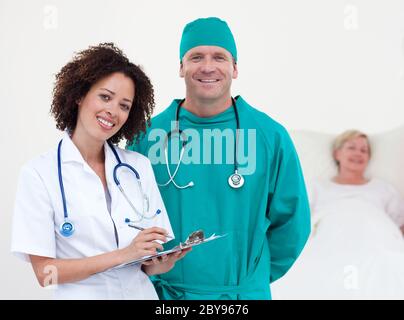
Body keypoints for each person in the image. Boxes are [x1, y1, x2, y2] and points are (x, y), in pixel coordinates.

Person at [127, 17, 311, 299]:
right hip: (165, 295)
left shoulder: (269, 137)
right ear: (181, 67)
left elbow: (292, 224)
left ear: (235, 68)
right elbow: (125, 219)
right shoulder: (147, 136)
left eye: (219, 57)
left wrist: (252, 276)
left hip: (240, 296)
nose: (208, 66)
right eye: (196, 56)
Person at [11, 43, 190, 299]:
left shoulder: (137, 167)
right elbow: (45, 274)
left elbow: (147, 266)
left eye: (124, 105)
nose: (113, 111)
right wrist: (124, 255)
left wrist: (164, 262)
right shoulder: (39, 173)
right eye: (105, 97)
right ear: (80, 95)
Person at [271, 130, 404, 299]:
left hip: (376, 233)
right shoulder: (316, 187)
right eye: (351, 147)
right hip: (329, 232)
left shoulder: (384, 189)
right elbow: (298, 221)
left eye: (364, 150)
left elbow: (398, 227)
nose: (358, 153)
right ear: (337, 153)